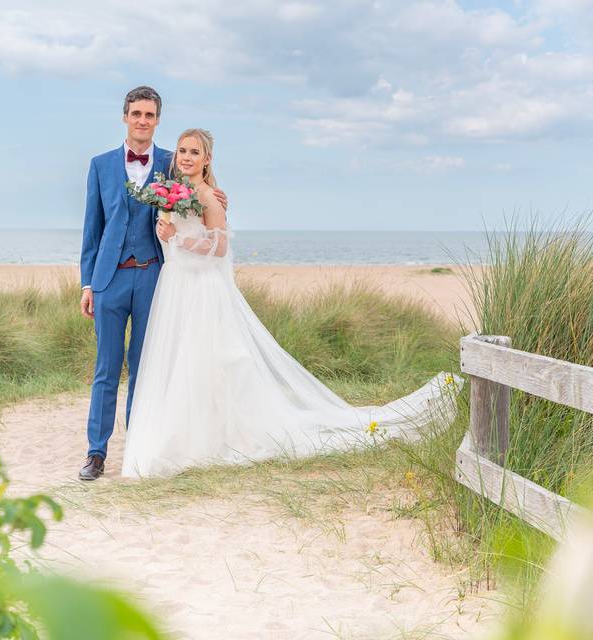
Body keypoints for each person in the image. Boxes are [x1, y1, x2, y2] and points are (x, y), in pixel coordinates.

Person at [120, 128, 459, 478]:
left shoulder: (208, 197)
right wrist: (167, 230)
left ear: (207, 160)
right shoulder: (173, 193)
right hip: (175, 284)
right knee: (180, 361)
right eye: (181, 151)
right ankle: (184, 434)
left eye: (194, 152)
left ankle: (211, 437)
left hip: (202, 290)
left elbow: (219, 249)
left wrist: (178, 238)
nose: (186, 157)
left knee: (208, 360)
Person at [77, 87, 227, 481]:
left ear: (158, 119)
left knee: (147, 370)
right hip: (109, 279)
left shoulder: (171, 161)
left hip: (153, 279)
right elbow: (92, 229)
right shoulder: (100, 165)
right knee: (106, 368)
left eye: (149, 114)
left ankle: (138, 451)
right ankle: (96, 453)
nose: (142, 120)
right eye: (136, 113)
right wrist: (87, 284)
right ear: (125, 116)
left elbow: (200, 188)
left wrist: (217, 197)